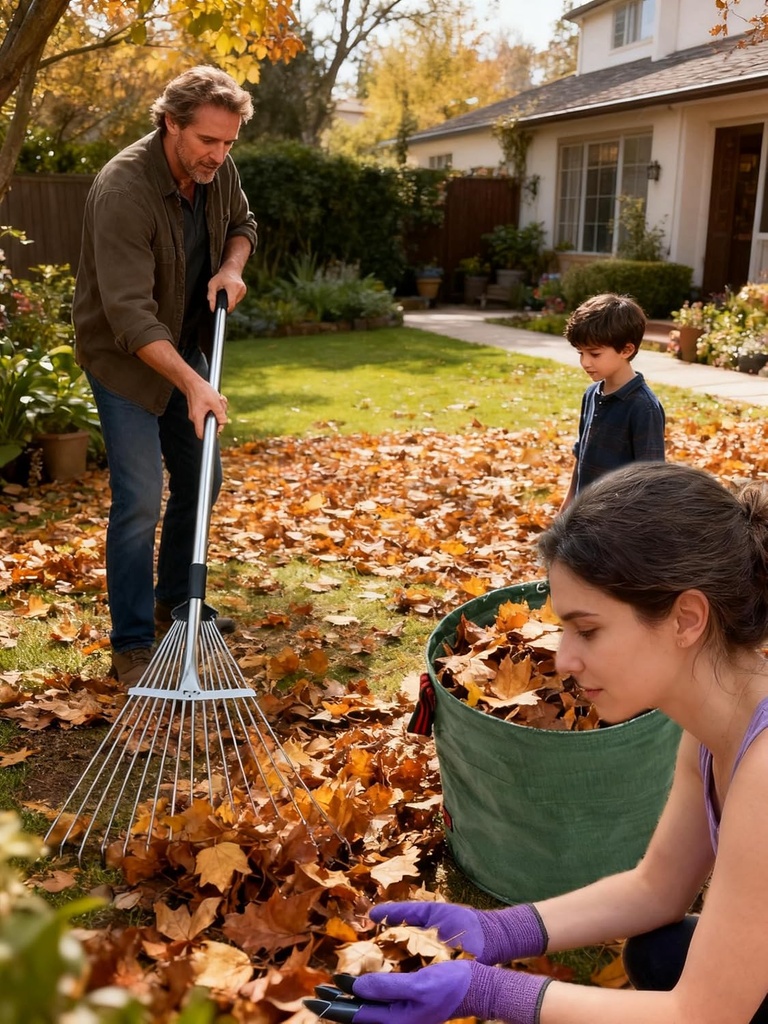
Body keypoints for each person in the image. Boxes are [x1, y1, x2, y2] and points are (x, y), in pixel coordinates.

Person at [310, 461, 768, 1024]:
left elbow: (705, 1014)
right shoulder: (714, 726)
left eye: (588, 629)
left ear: (686, 618)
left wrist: (490, 993)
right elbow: (657, 889)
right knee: (661, 950)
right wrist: (500, 929)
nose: (565, 659)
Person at [73, 65, 258, 685]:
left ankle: (177, 603)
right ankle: (130, 641)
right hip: (126, 360)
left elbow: (243, 226)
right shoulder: (124, 188)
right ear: (171, 123)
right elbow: (128, 316)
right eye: (208, 140)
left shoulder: (217, 171)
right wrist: (193, 383)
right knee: (138, 498)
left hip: (184, 347)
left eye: (229, 142)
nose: (220, 154)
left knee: (203, 479)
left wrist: (231, 268)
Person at [559, 292, 665, 512]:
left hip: (619, 526)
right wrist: (568, 504)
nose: (585, 362)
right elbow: (581, 458)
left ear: (626, 350)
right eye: (581, 353)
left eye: (594, 354)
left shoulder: (643, 407)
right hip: (584, 517)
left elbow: (652, 480)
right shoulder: (591, 394)